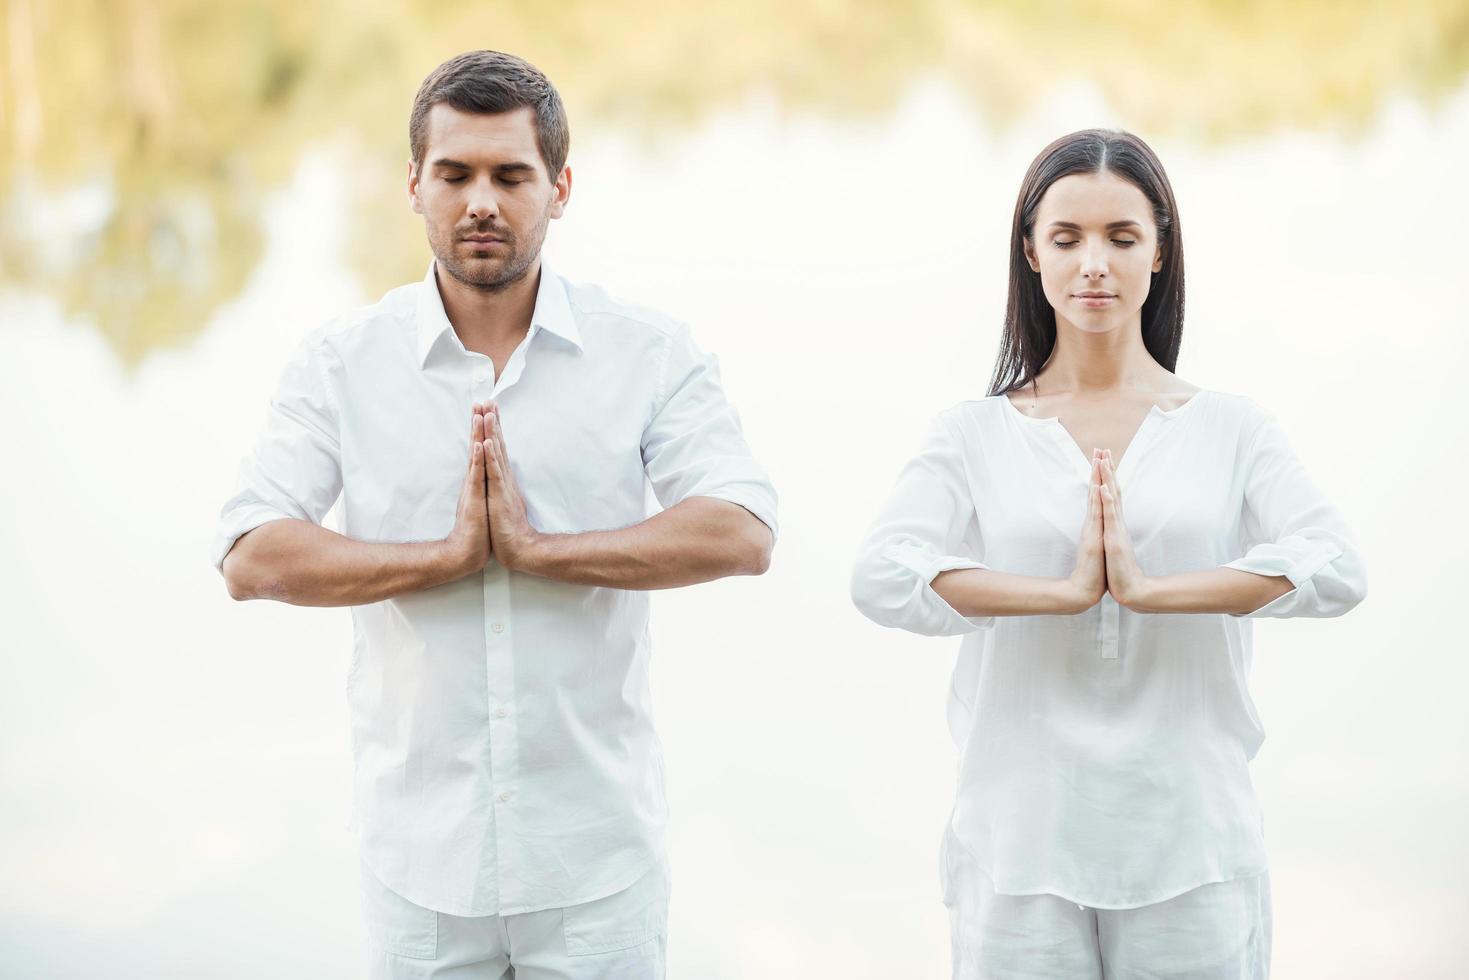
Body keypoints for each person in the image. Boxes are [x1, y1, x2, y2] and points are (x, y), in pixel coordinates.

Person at [212, 50, 777, 979]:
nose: (482, 200)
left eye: (510, 175)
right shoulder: (341, 363)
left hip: (596, 868)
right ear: (413, 185)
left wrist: (539, 552)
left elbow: (742, 530)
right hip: (420, 868)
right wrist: (445, 557)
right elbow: (249, 552)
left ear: (559, 187)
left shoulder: (644, 353)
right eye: (455, 174)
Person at [849, 128, 1366, 979]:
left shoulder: (1230, 427)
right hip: (1019, 846)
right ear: (1030, 253)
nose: (1094, 263)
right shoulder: (974, 434)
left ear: (1159, 251)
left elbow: (1337, 567)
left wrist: (1151, 591)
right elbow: (880, 576)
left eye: (1121, 238)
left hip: (1190, 846)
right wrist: (1058, 594)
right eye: (1067, 238)